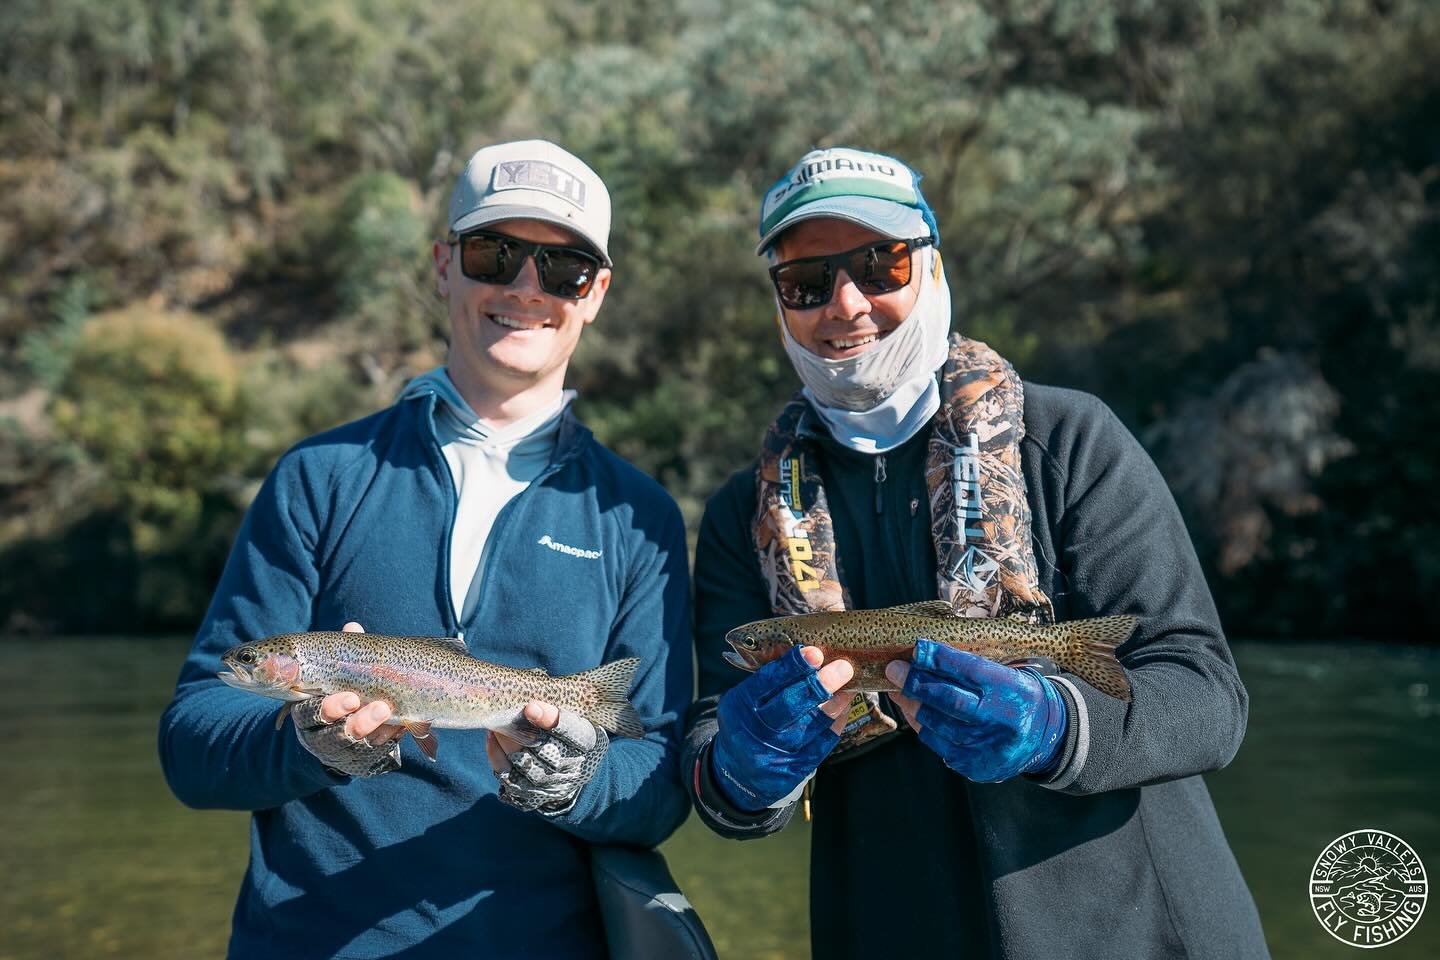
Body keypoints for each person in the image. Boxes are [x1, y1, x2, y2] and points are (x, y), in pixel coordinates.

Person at [681, 146, 1269, 959]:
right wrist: (745, 772)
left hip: (1136, 933)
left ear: (930, 265)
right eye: (806, 282)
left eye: (879, 264)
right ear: (780, 303)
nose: (846, 304)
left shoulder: (1070, 440)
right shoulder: (739, 517)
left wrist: (1056, 724)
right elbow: (712, 773)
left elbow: (1208, 697)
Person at [159, 139, 693, 960]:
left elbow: (657, 785)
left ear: (597, 294)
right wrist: (304, 742)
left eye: (563, 269)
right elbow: (195, 738)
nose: (525, 288)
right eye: (496, 254)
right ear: (445, 265)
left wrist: (578, 780)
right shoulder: (321, 477)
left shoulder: (638, 516)